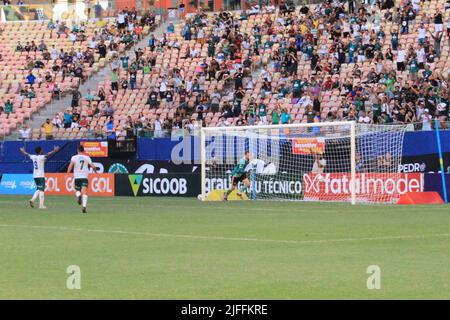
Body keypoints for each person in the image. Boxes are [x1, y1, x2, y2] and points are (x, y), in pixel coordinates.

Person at [66, 145, 97, 213]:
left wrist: (67, 173)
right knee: (85, 192)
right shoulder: (87, 157)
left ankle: (79, 195)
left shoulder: (74, 157)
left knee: (76, 190)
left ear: (78, 150)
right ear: (83, 150)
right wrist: (95, 171)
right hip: (84, 177)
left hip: (77, 177)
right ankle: (84, 207)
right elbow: (93, 166)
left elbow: (70, 166)